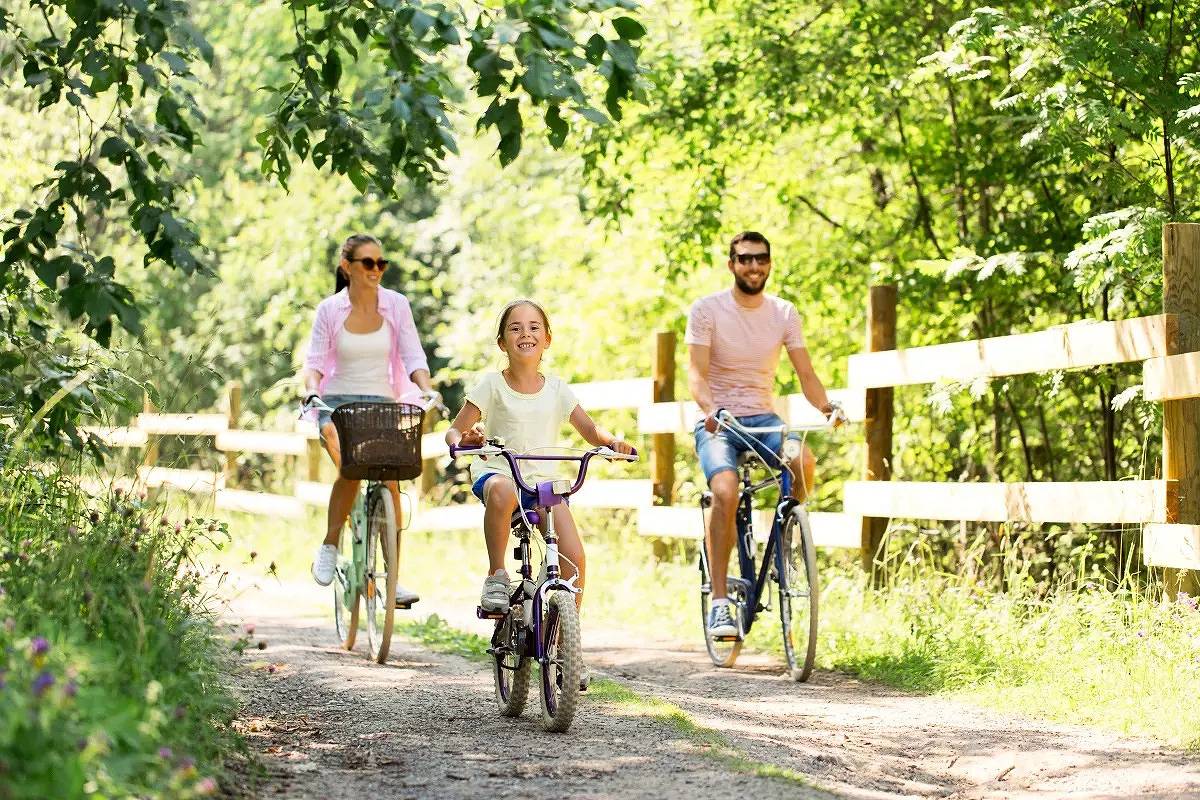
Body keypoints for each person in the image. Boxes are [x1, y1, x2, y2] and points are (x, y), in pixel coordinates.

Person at [686, 231, 841, 639]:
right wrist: (710, 410)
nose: (753, 267)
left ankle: (785, 540)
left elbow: (806, 374)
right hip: (719, 422)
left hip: (763, 420)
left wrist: (827, 407)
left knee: (802, 460)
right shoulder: (707, 310)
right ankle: (720, 602)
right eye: (745, 259)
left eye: (761, 259)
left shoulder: (783, 312)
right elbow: (696, 375)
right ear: (732, 263)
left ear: (769, 263)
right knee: (724, 490)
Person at [443, 299, 635, 619]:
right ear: (502, 342)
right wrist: (462, 441)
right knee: (503, 488)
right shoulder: (492, 385)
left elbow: (590, 429)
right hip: (499, 473)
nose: (525, 334)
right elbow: (454, 430)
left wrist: (613, 442)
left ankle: (565, 646)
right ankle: (497, 575)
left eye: (534, 327)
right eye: (515, 328)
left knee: (573, 559)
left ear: (547, 338)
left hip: (543, 485)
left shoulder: (558, 389)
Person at [300, 233, 439, 606]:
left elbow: (413, 356)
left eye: (381, 263)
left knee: (391, 479)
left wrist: (425, 389)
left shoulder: (396, 305)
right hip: (338, 403)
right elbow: (313, 363)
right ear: (348, 267)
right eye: (368, 263)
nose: (376, 270)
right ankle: (330, 544)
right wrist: (312, 390)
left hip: (382, 403)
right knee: (351, 466)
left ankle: (392, 580)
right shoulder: (330, 310)